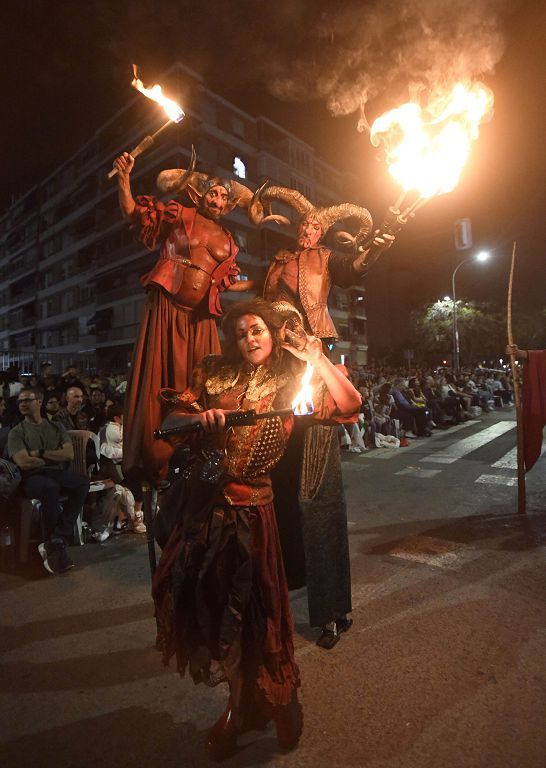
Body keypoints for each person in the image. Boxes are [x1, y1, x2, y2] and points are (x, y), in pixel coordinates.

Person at [152, 298, 361, 761]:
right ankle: (237, 704)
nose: (250, 338)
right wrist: (197, 418)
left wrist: (316, 357)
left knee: (261, 615)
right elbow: (169, 422)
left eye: (258, 330)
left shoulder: (292, 380)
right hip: (206, 514)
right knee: (214, 611)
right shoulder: (213, 372)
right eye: (243, 331)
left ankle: (281, 700)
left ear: (272, 332)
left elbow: (350, 403)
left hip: (255, 514)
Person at [260, 188, 392, 648]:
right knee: (275, 486)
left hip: (313, 359)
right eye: (304, 224)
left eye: (316, 226)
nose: (308, 229)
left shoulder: (326, 259)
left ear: (324, 232)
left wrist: (375, 246)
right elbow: (260, 306)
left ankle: (332, 608)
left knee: (317, 495)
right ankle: (282, 582)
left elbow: (356, 269)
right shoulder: (278, 261)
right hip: (278, 366)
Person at [113, 151, 263, 487]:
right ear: (199, 194)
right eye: (213, 192)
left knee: (204, 382)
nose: (218, 199)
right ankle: (154, 459)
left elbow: (226, 282)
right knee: (158, 377)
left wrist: (261, 282)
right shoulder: (179, 213)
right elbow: (135, 215)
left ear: (229, 205)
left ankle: (200, 453)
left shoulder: (228, 239)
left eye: (225, 196)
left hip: (200, 319)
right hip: (166, 308)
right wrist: (124, 179)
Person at [7, 387, 90, 574]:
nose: (23, 404)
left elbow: (69, 454)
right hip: (30, 477)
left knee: (82, 483)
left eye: (27, 400)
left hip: (54, 472)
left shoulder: (55, 427)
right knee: (49, 487)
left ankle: (56, 538)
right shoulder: (17, 432)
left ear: (39, 401)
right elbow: (23, 461)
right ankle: (55, 544)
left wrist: (41, 454)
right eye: (20, 401)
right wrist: (53, 456)